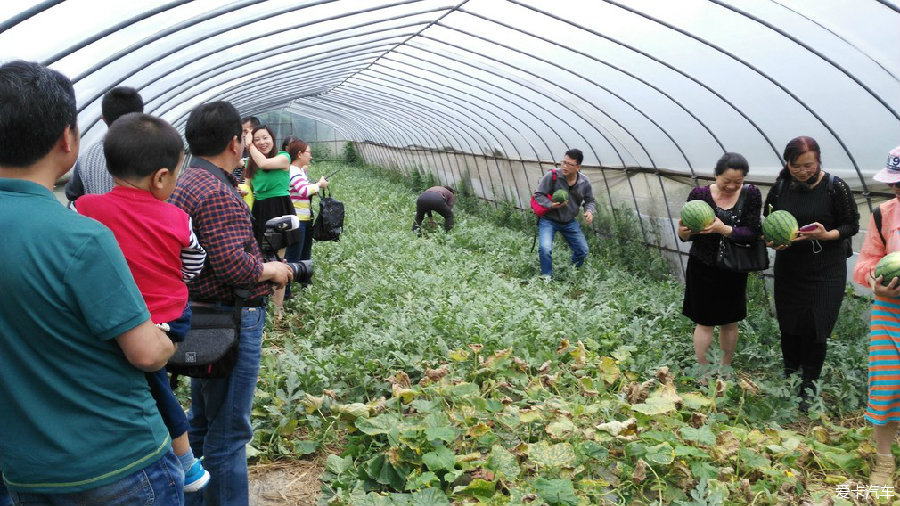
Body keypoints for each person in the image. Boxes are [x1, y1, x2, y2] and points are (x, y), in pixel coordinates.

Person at [0, 61, 181, 505]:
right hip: (115, 462)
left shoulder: (78, 219)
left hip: (25, 472)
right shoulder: (80, 239)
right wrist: (165, 340)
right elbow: (144, 352)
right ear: (68, 139)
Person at [74, 113, 210, 493]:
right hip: (168, 317)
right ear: (161, 177)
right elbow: (194, 263)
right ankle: (186, 460)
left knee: (149, 382)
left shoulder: (85, 208)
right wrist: (173, 277)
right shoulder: (176, 218)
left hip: (112, 317)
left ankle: (183, 456)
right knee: (155, 383)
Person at [169, 101, 293, 506]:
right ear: (234, 142)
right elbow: (232, 266)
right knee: (229, 433)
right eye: (243, 136)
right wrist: (271, 271)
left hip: (201, 314)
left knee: (203, 422)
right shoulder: (217, 191)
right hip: (231, 319)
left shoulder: (188, 182)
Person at [764, 135, 859, 408]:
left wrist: (827, 234)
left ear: (818, 161)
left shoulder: (834, 186)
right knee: (790, 324)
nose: (804, 171)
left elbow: (851, 224)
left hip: (826, 269)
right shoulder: (781, 186)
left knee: (817, 327)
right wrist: (773, 241)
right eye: (798, 166)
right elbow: (768, 219)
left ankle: (809, 385)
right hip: (790, 267)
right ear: (788, 163)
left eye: (810, 165)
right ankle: (790, 375)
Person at [677, 152, 761, 381]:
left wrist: (723, 229)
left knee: (729, 321)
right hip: (702, 266)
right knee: (704, 322)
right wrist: (683, 232)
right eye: (727, 181)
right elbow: (687, 233)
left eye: (738, 182)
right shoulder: (699, 195)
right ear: (716, 175)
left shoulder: (751, 194)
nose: (732, 186)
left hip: (733, 268)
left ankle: (725, 369)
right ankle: (703, 371)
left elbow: (753, 232)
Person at [852, 145, 900, 488]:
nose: (897, 191)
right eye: (896, 185)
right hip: (890, 313)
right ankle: (884, 459)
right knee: (886, 387)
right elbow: (865, 262)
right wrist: (875, 282)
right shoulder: (884, 214)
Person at [244, 125, 293, 318]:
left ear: (272, 138)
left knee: (278, 260)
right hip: (260, 209)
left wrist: (249, 146)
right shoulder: (251, 163)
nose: (262, 142)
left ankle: (278, 309)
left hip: (279, 208)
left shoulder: (283, 157)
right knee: (260, 260)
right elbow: (246, 187)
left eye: (266, 138)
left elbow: (264, 163)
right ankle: (261, 305)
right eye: (257, 140)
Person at [64, 86, 143, 201]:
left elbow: (72, 194)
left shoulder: (88, 157)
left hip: (95, 218)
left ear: (104, 119)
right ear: (142, 118)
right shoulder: (151, 153)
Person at [533, 148, 596, 277]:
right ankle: (546, 278)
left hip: (569, 222)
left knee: (582, 250)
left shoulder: (584, 182)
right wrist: (550, 205)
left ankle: (570, 272)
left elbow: (590, 200)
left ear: (578, 167)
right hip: (548, 219)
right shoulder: (552, 176)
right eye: (563, 162)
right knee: (545, 249)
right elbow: (538, 195)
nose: (564, 166)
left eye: (569, 164)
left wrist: (589, 211)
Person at [285, 139, 327, 299]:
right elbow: (303, 190)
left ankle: (305, 286)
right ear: (300, 154)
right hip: (297, 221)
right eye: (308, 152)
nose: (310, 156)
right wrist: (319, 185)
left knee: (305, 255)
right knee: (293, 256)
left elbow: (302, 191)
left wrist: (315, 188)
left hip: (305, 219)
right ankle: (286, 293)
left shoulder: (300, 171)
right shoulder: (293, 171)